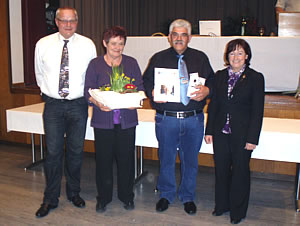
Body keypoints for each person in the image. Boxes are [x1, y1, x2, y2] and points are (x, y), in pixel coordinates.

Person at [143, 19, 214, 215]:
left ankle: (188, 196)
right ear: (169, 37)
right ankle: (166, 194)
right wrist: (153, 93)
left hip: (194, 119)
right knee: (166, 158)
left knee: (190, 160)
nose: (179, 39)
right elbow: (146, 81)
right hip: (167, 119)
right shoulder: (158, 58)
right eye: (176, 35)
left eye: (183, 35)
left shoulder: (200, 58)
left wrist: (207, 90)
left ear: (189, 38)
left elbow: (214, 82)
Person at [34, 7, 97, 217]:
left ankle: (73, 193)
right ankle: (50, 199)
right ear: (57, 22)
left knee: (76, 152)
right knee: (52, 153)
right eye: (64, 20)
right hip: (53, 105)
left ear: (77, 22)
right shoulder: (43, 44)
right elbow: (39, 74)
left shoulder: (88, 45)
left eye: (72, 21)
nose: (68, 25)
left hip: (78, 105)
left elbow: (92, 75)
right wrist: (50, 93)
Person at [84, 26, 144, 213]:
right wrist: (97, 102)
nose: (117, 47)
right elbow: (88, 91)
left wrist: (137, 99)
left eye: (121, 43)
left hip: (126, 121)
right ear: (105, 43)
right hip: (103, 121)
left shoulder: (131, 63)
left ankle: (127, 197)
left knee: (126, 161)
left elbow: (140, 87)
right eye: (113, 43)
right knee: (103, 162)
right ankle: (104, 198)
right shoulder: (95, 64)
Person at [204, 39, 265, 224]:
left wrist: (252, 138)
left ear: (247, 56)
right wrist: (209, 130)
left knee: (240, 172)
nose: (235, 57)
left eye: (240, 53)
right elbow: (214, 105)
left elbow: (257, 111)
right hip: (221, 133)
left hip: (243, 135)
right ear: (227, 56)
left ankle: (237, 211)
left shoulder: (255, 77)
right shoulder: (220, 75)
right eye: (232, 53)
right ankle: (221, 205)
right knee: (221, 171)